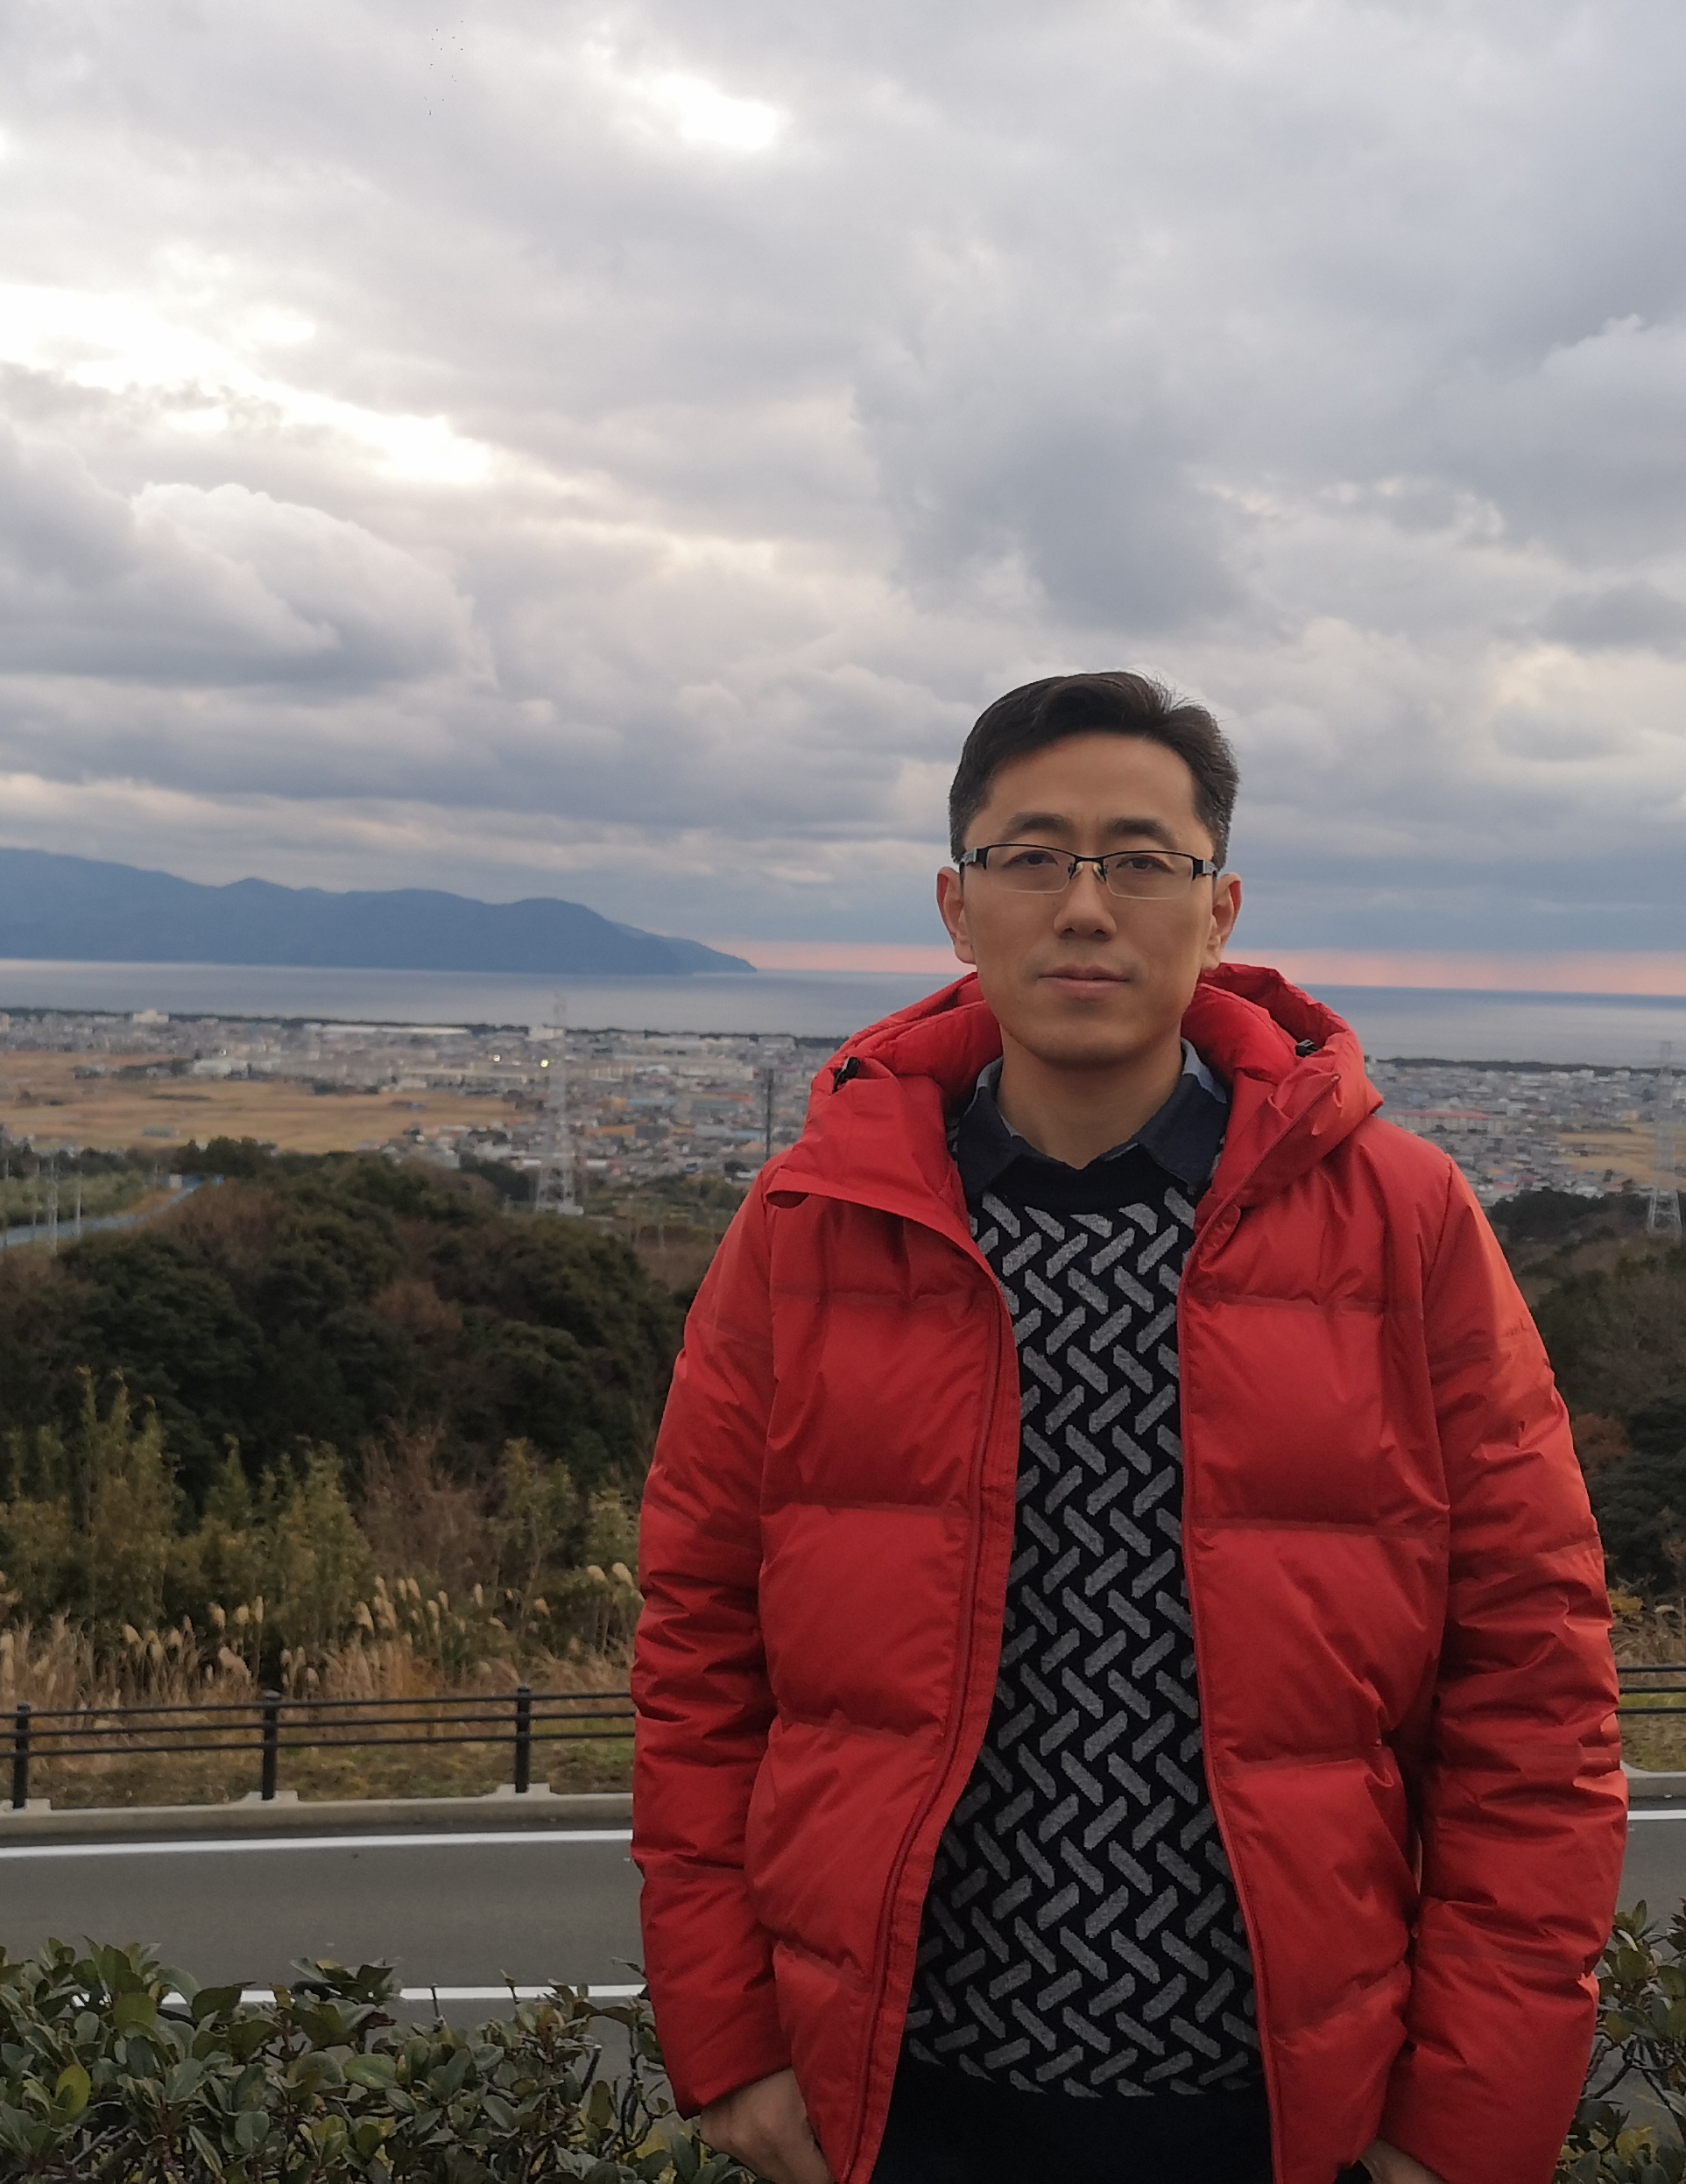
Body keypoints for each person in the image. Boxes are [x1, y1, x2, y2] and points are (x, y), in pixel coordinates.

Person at [631, 672, 1625, 2184]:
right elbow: (699, 1645)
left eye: (1141, 861)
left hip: (1284, 2103)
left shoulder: (1401, 1220)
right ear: (958, 908)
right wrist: (734, 2038)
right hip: (895, 2090)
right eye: (1032, 857)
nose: (1085, 907)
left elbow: (1534, 1685)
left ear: (1220, 911)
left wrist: (1463, 2125)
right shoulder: (811, 1223)